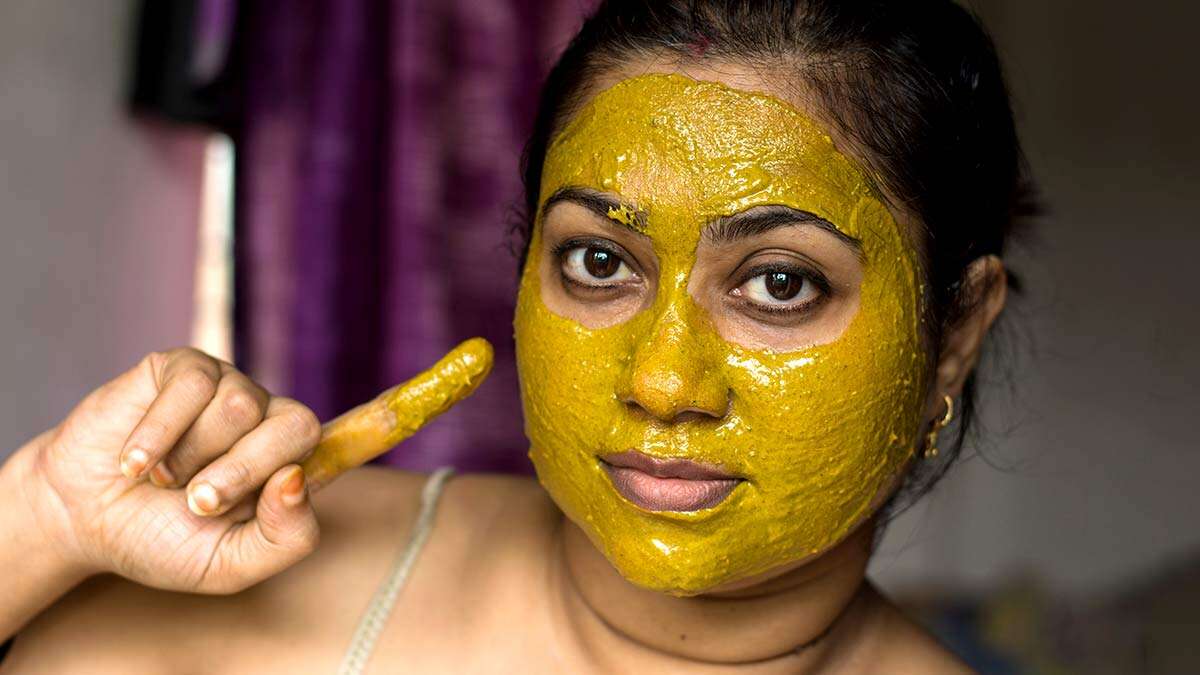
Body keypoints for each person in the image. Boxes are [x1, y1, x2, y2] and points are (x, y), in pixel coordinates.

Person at [0, 1, 1034, 672]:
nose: (664, 380)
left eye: (779, 282)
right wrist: (41, 517)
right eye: (600, 262)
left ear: (953, 333)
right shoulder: (254, 574)